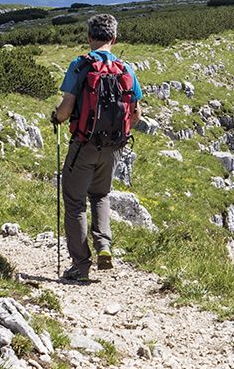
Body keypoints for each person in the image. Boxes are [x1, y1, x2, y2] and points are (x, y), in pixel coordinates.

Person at [51, 14, 143, 281]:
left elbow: (66, 109)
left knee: (75, 201)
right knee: (101, 196)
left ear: (89, 37)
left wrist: (56, 117)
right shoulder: (126, 69)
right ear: (114, 38)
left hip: (84, 144)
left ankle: (80, 265)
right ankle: (104, 245)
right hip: (114, 146)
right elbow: (136, 113)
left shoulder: (81, 65)